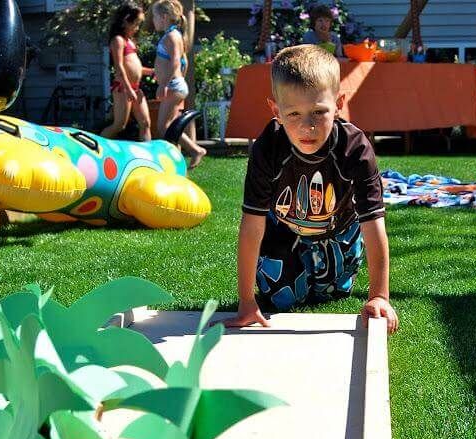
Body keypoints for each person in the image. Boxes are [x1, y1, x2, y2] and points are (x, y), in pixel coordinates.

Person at [225, 45, 399, 333]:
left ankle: (331, 265)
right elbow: (252, 225)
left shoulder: (355, 149)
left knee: (331, 292)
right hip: (283, 229)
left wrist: (380, 295)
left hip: (339, 231)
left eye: (319, 112)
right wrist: (246, 300)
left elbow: (373, 222)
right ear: (275, 111)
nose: (307, 126)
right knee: (283, 299)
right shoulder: (267, 148)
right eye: (293, 113)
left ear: (339, 103)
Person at [149, 0, 206, 169]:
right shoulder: (175, 35)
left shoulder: (172, 36)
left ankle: (195, 150)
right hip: (175, 84)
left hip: (172, 86)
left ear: (164, 17)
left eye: (155, 16)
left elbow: (175, 62)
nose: (153, 20)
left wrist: (164, 84)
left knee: (163, 126)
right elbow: (184, 61)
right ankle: (177, 157)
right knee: (172, 125)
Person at [101, 2, 153, 141]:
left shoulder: (130, 41)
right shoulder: (118, 40)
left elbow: (136, 68)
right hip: (123, 88)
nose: (137, 28)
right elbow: (119, 67)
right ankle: (95, 147)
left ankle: (148, 156)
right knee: (119, 125)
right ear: (126, 20)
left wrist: (152, 72)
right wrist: (129, 89)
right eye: (136, 23)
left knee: (145, 123)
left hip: (134, 88)